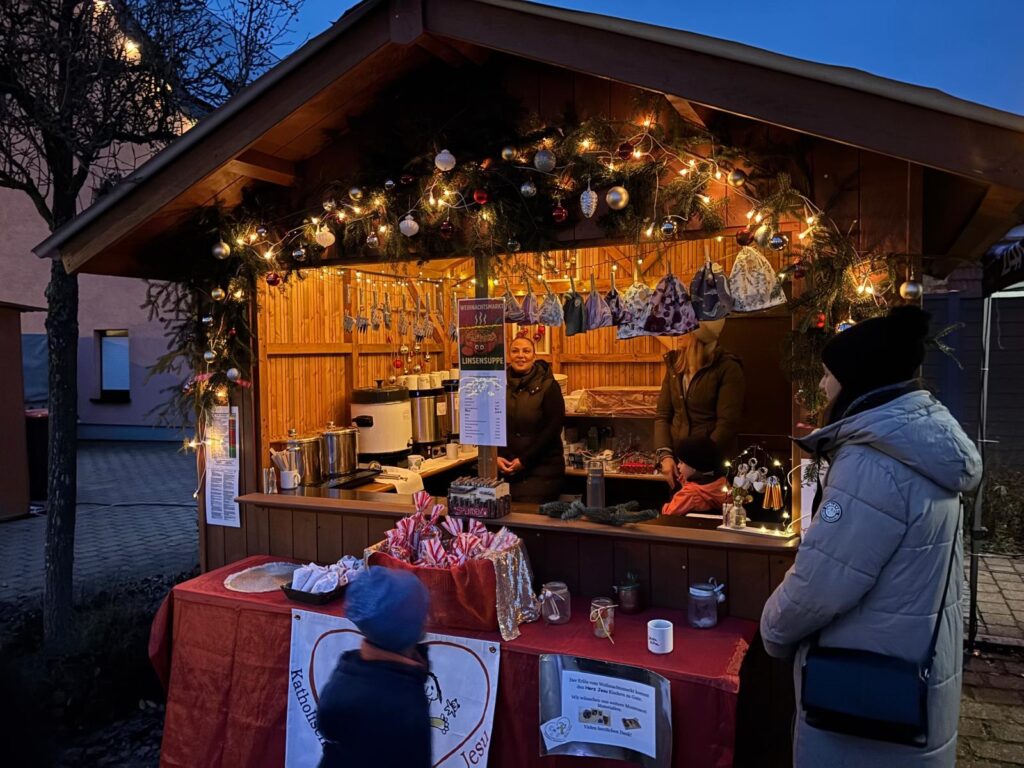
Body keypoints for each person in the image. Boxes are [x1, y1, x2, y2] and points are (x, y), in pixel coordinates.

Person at [760, 306, 982, 767]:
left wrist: (773, 629)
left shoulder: (873, 464)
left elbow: (820, 583)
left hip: (860, 698)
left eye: (827, 374)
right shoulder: (921, 444)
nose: (822, 386)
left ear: (858, 378)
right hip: (908, 678)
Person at [317, 567, 432, 768]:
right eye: (422, 614)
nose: (429, 619)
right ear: (407, 628)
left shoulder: (349, 669)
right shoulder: (403, 703)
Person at [654, 319, 745, 486]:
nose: (678, 330)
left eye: (685, 327)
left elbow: (727, 423)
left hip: (711, 469)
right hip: (678, 467)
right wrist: (665, 456)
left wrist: (697, 462)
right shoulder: (675, 366)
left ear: (698, 334)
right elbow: (662, 415)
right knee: (675, 511)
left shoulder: (727, 367)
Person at [498, 334, 566, 503]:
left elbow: (553, 428)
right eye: (515, 351)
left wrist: (524, 460)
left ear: (534, 357)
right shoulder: (498, 384)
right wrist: (495, 457)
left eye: (526, 351)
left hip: (542, 470)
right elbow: (490, 424)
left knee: (527, 517)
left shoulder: (549, 386)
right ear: (508, 356)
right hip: (505, 469)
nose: (521, 355)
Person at [661, 436, 730, 516]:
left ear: (695, 466)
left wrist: (663, 507)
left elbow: (668, 513)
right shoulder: (722, 481)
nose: (678, 465)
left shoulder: (690, 493)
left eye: (681, 462)